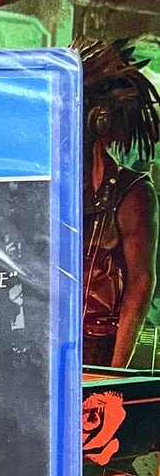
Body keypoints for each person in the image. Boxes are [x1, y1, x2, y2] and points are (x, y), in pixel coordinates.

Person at [78, 39, 159, 369]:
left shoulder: (131, 193)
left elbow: (140, 283)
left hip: (97, 348)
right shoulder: (51, 183)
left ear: (98, 119)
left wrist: (114, 372)